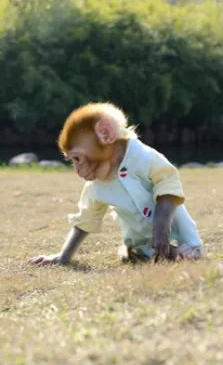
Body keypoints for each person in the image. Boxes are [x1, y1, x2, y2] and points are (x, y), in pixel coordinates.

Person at [29, 102, 204, 266]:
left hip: (175, 225)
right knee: (143, 251)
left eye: (77, 158)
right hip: (141, 240)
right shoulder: (96, 185)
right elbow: (86, 219)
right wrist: (63, 256)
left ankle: (186, 250)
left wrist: (162, 224)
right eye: (72, 161)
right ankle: (166, 253)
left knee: (190, 247)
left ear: (105, 134)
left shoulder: (143, 157)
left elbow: (168, 182)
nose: (77, 170)